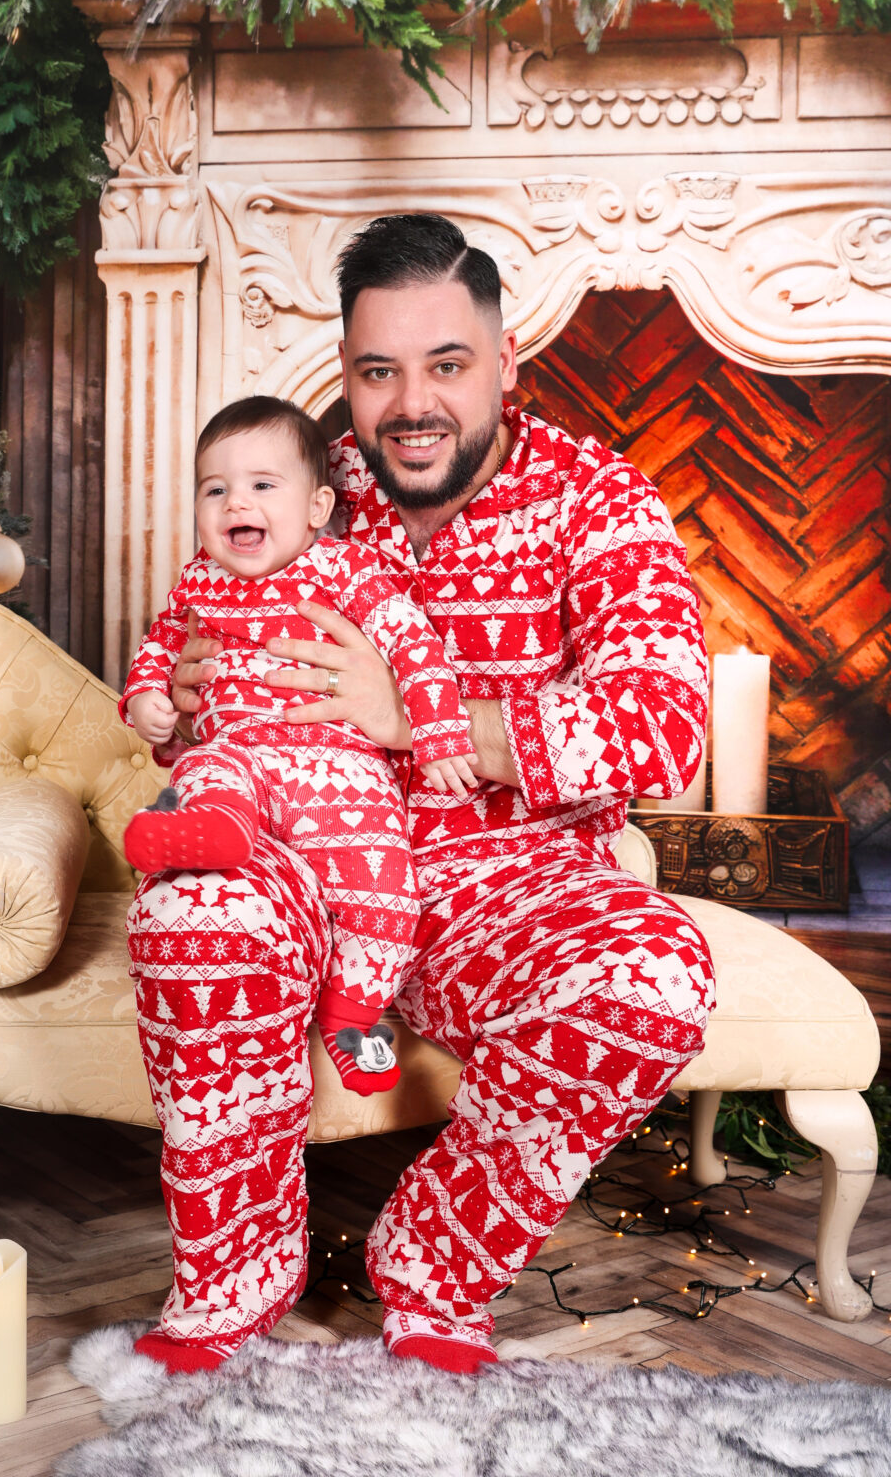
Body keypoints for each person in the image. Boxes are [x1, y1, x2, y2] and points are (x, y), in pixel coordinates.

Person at [127, 212, 714, 1377]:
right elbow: (200, 657)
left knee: (651, 974)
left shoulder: (596, 502)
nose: (411, 403)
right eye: (377, 370)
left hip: (509, 878)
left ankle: (435, 1265)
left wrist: (421, 720)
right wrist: (184, 693)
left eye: (445, 365)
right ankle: (234, 1277)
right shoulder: (299, 480)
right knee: (190, 908)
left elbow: (664, 723)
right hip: (303, 849)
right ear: (341, 373)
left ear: (504, 364)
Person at [120, 395, 479, 1126]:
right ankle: (212, 831)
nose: (234, 503)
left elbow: (414, 648)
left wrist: (439, 733)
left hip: (339, 776)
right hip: (240, 756)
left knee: (387, 894)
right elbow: (158, 651)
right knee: (204, 773)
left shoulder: (345, 571)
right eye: (214, 489)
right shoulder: (198, 583)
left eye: (260, 485)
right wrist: (146, 702)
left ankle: (355, 1017)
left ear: (318, 507)